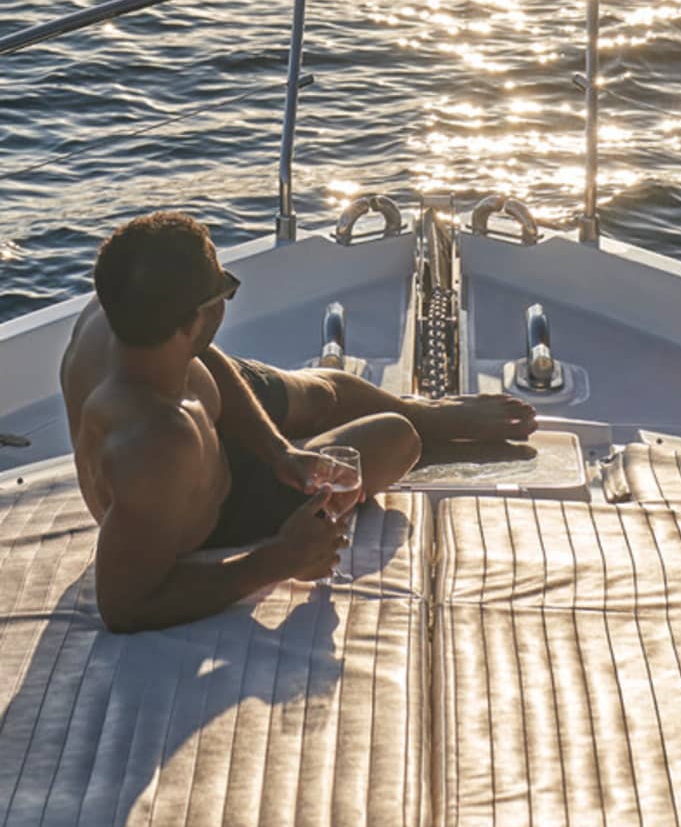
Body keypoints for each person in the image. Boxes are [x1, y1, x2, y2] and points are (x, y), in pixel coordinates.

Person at [61, 210, 538, 632]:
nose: (226, 299)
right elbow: (123, 607)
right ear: (193, 319)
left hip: (199, 403)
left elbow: (199, 355)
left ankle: (424, 410)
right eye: (223, 291)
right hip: (205, 507)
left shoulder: (121, 315)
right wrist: (278, 559)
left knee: (327, 390)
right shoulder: (155, 448)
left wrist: (278, 450)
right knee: (395, 438)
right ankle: (411, 422)